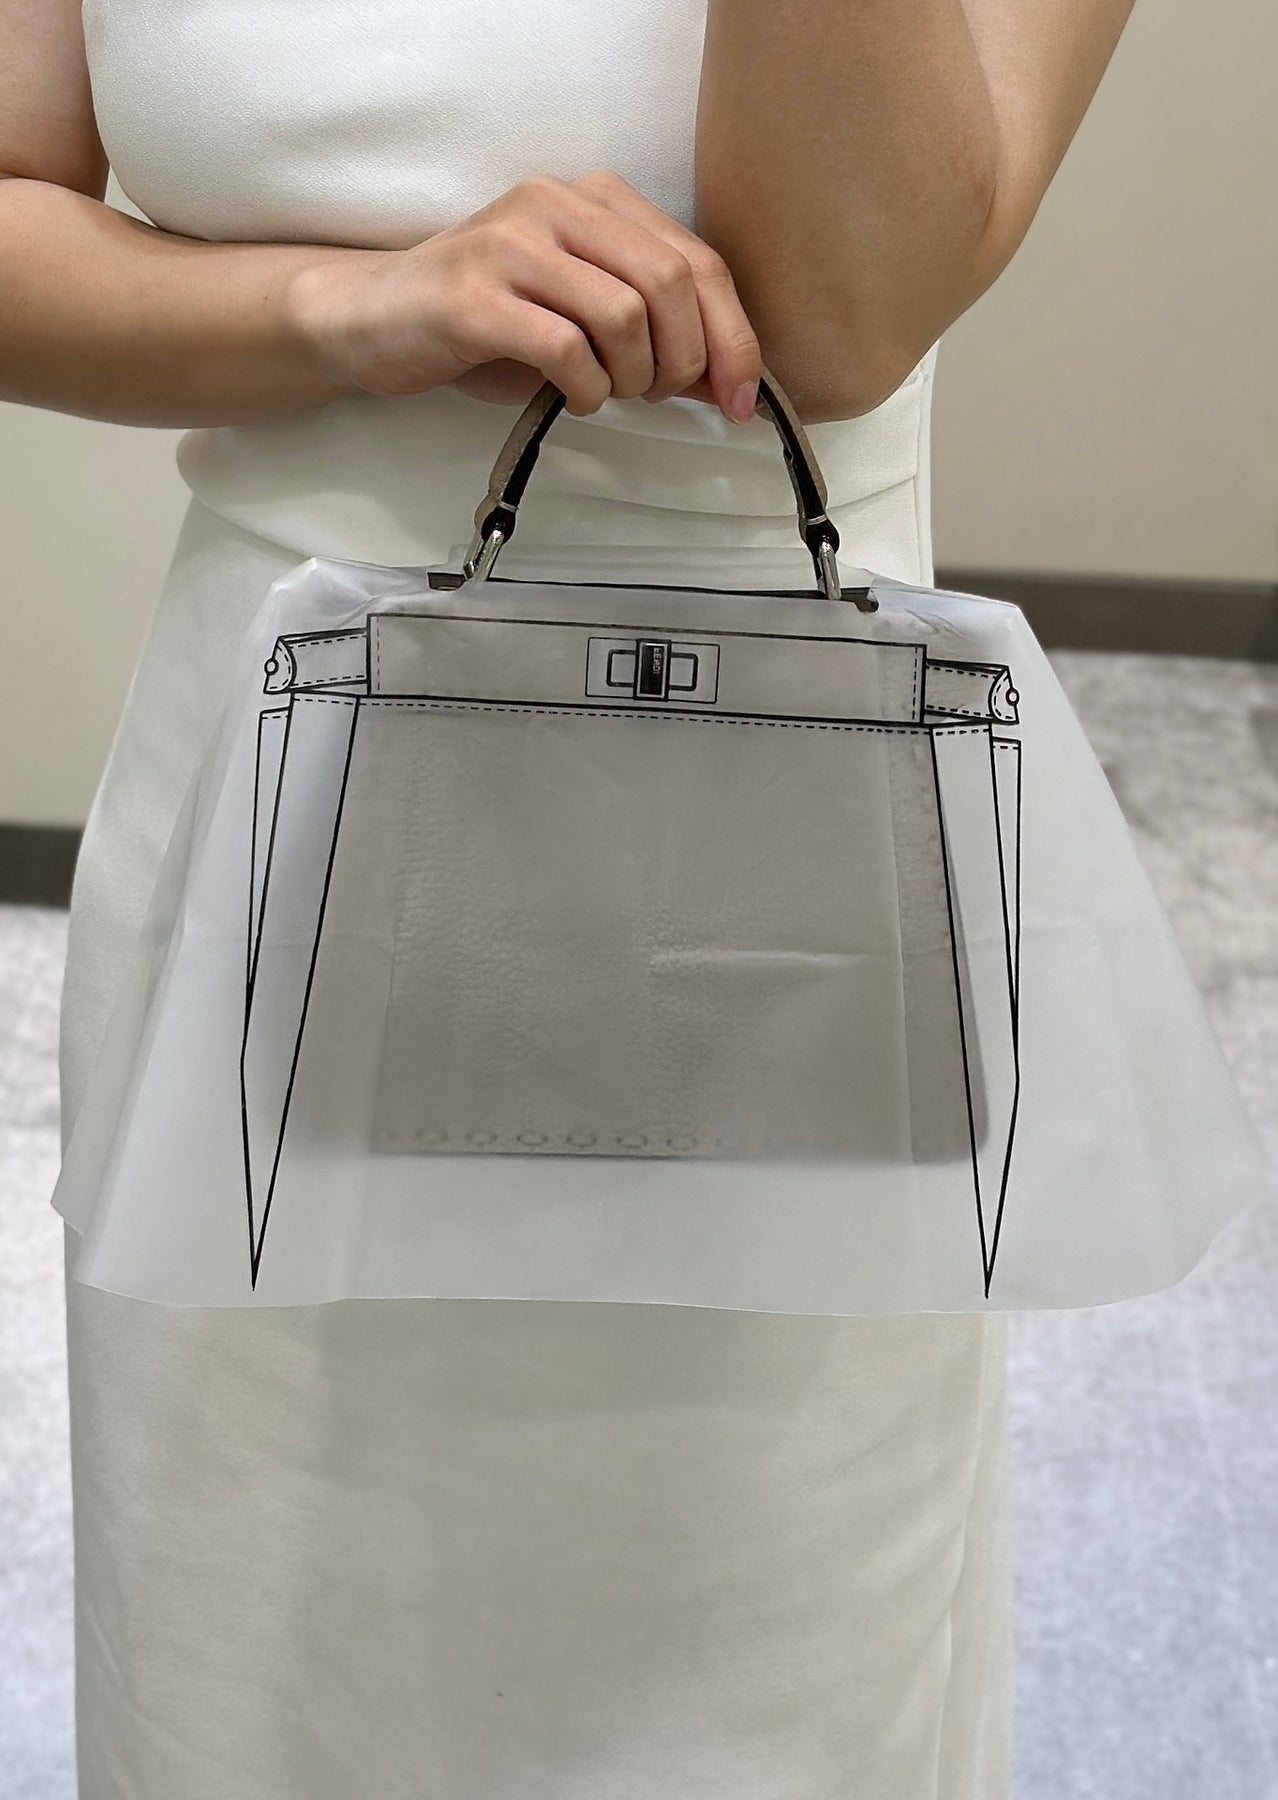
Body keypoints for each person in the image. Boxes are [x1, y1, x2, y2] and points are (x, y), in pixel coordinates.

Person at [2, 1, 1137, 1793]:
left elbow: (841, 312)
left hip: (773, 867)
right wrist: (347, 306)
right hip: (266, 842)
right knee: (250, 1670)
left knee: (757, 1675)